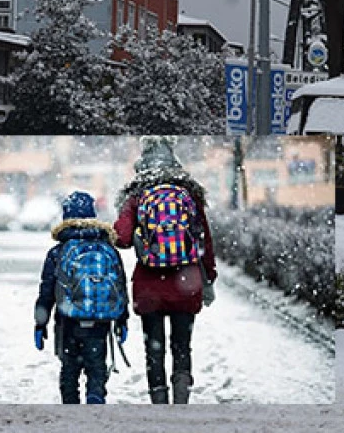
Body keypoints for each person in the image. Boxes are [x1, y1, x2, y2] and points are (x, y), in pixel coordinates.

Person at [113, 137, 217, 404]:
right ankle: (181, 398)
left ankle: (159, 403)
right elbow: (204, 239)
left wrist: (137, 235)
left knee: (154, 349)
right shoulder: (189, 194)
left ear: (142, 162)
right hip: (187, 282)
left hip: (149, 286)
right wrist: (209, 279)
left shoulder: (136, 197)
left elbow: (121, 239)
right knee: (182, 346)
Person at [33, 191, 129, 405]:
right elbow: (121, 286)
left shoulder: (59, 251)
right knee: (96, 368)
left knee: (69, 368)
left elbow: (47, 291)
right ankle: (95, 401)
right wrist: (122, 320)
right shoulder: (107, 248)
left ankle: (71, 409)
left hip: (68, 321)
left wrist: (40, 324)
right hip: (100, 321)